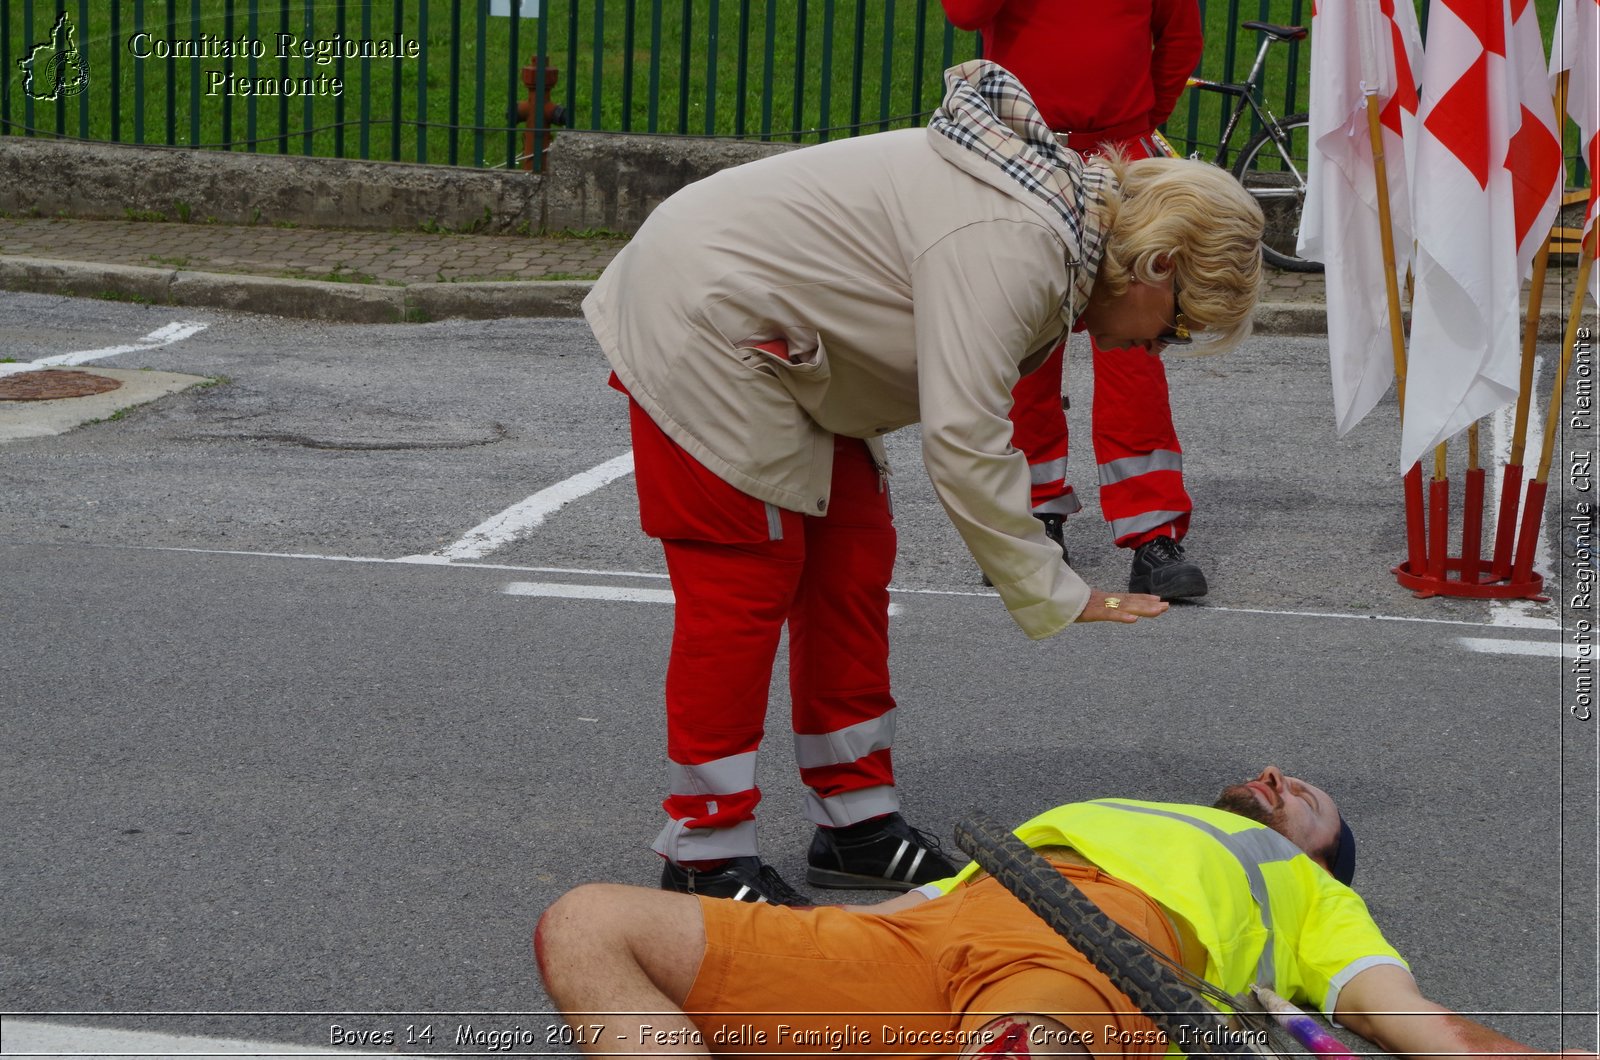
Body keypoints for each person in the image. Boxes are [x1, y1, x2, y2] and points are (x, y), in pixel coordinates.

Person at [583, 59, 1263, 905]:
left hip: (780, 340)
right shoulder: (1021, 241)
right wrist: (1053, 586)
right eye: (1181, 328)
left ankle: (857, 824)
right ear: (1157, 265)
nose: (1159, 348)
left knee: (852, 564)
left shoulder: (1051, 225)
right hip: (706, 317)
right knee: (744, 583)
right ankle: (705, 850)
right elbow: (965, 434)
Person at [535, 766, 1586, 1060]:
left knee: (1025, 1045)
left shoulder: (1308, 892)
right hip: (912, 942)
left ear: (1324, 855)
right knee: (590, 921)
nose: (1278, 779)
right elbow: (919, 898)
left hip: (1089, 973)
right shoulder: (1099, 808)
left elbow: (1408, 1016)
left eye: (1309, 796)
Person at [942, 0, 1212, 601]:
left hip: (1120, 155)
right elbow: (964, 13)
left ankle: (1152, 533)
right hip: (1022, 154)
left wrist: (1134, 123)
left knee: (1135, 355)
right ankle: (1034, 519)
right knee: (1023, 349)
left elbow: (1179, 42)